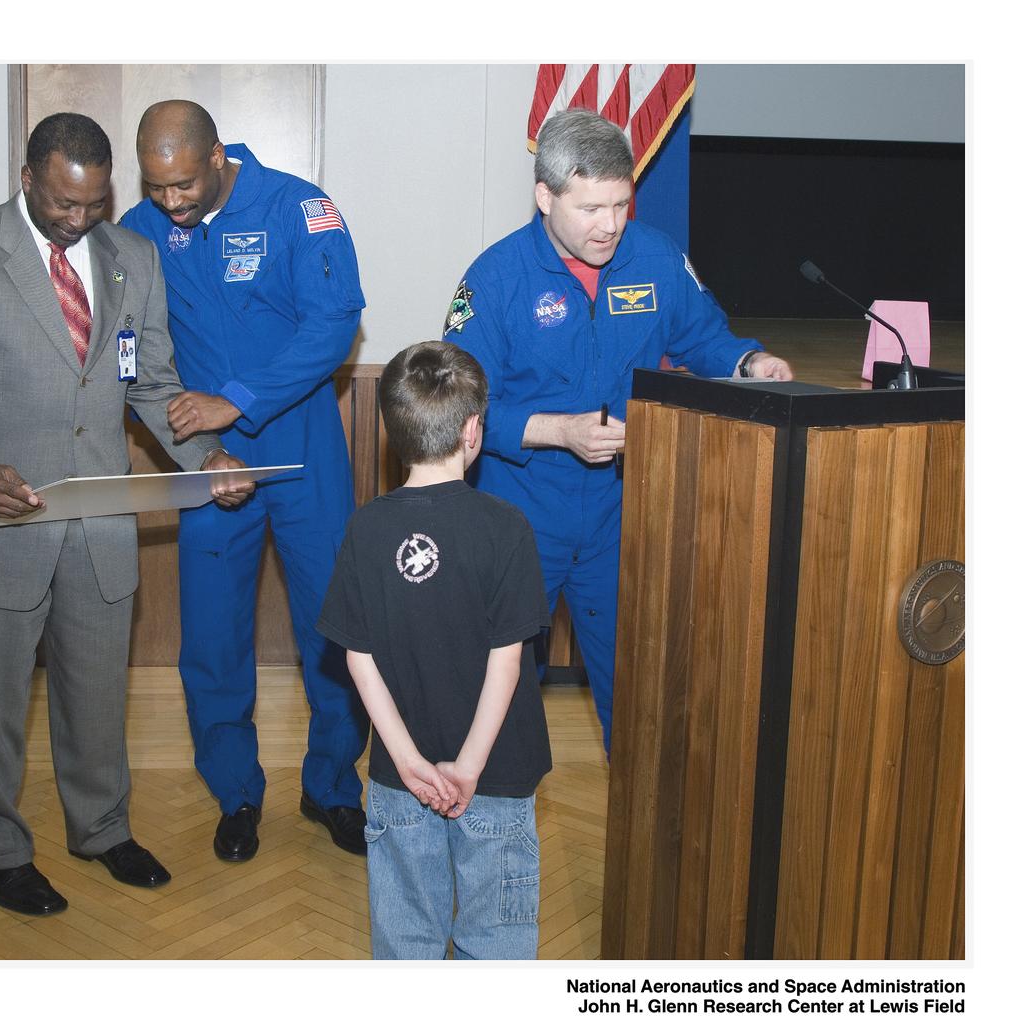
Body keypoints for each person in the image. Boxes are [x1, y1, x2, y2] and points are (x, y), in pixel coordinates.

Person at [0, 112, 251, 917]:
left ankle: (102, 829)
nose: (79, 220)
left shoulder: (134, 258)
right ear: (28, 179)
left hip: (100, 532)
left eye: (92, 205)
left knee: (96, 699)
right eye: (61, 205)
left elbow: (149, 382)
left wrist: (203, 459)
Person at [444, 108, 793, 753]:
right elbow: (459, 406)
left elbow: (707, 337)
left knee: (638, 689)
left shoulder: (656, 256)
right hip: (522, 514)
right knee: (500, 690)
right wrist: (557, 430)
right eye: (591, 208)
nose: (610, 225)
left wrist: (750, 361)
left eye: (622, 204)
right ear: (544, 197)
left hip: (621, 510)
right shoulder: (494, 279)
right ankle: (499, 836)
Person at [119, 100, 369, 861]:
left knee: (334, 629)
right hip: (211, 462)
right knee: (213, 637)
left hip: (303, 450)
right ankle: (235, 793)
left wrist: (244, 397)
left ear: (218, 155)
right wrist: (203, 445)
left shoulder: (299, 206)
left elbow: (335, 323)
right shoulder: (137, 229)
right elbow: (134, 354)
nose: (172, 203)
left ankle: (333, 786)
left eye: (185, 185)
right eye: (158, 188)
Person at [317, 341, 552, 959]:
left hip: (402, 778)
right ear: (474, 431)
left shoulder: (365, 528)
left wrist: (411, 762)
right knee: (494, 939)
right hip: (495, 774)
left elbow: (357, 658)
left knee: (406, 939)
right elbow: (508, 660)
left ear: (393, 433)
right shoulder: (507, 528)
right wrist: (467, 767)